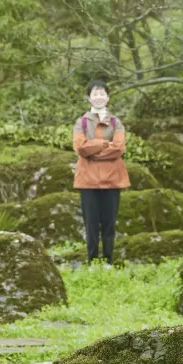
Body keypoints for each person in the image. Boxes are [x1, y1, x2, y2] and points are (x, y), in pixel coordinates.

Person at [73, 80, 130, 264]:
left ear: (108, 97)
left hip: (112, 178)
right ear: (89, 98)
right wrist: (105, 143)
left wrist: (94, 150)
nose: (98, 97)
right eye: (95, 94)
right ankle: (91, 260)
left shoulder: (115, 121)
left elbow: (119, 148)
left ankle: (108, 260)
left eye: (102, 93)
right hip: (88, 180)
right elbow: (80, 148)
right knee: (90, 223)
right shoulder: (81, 122)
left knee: (109, 223)